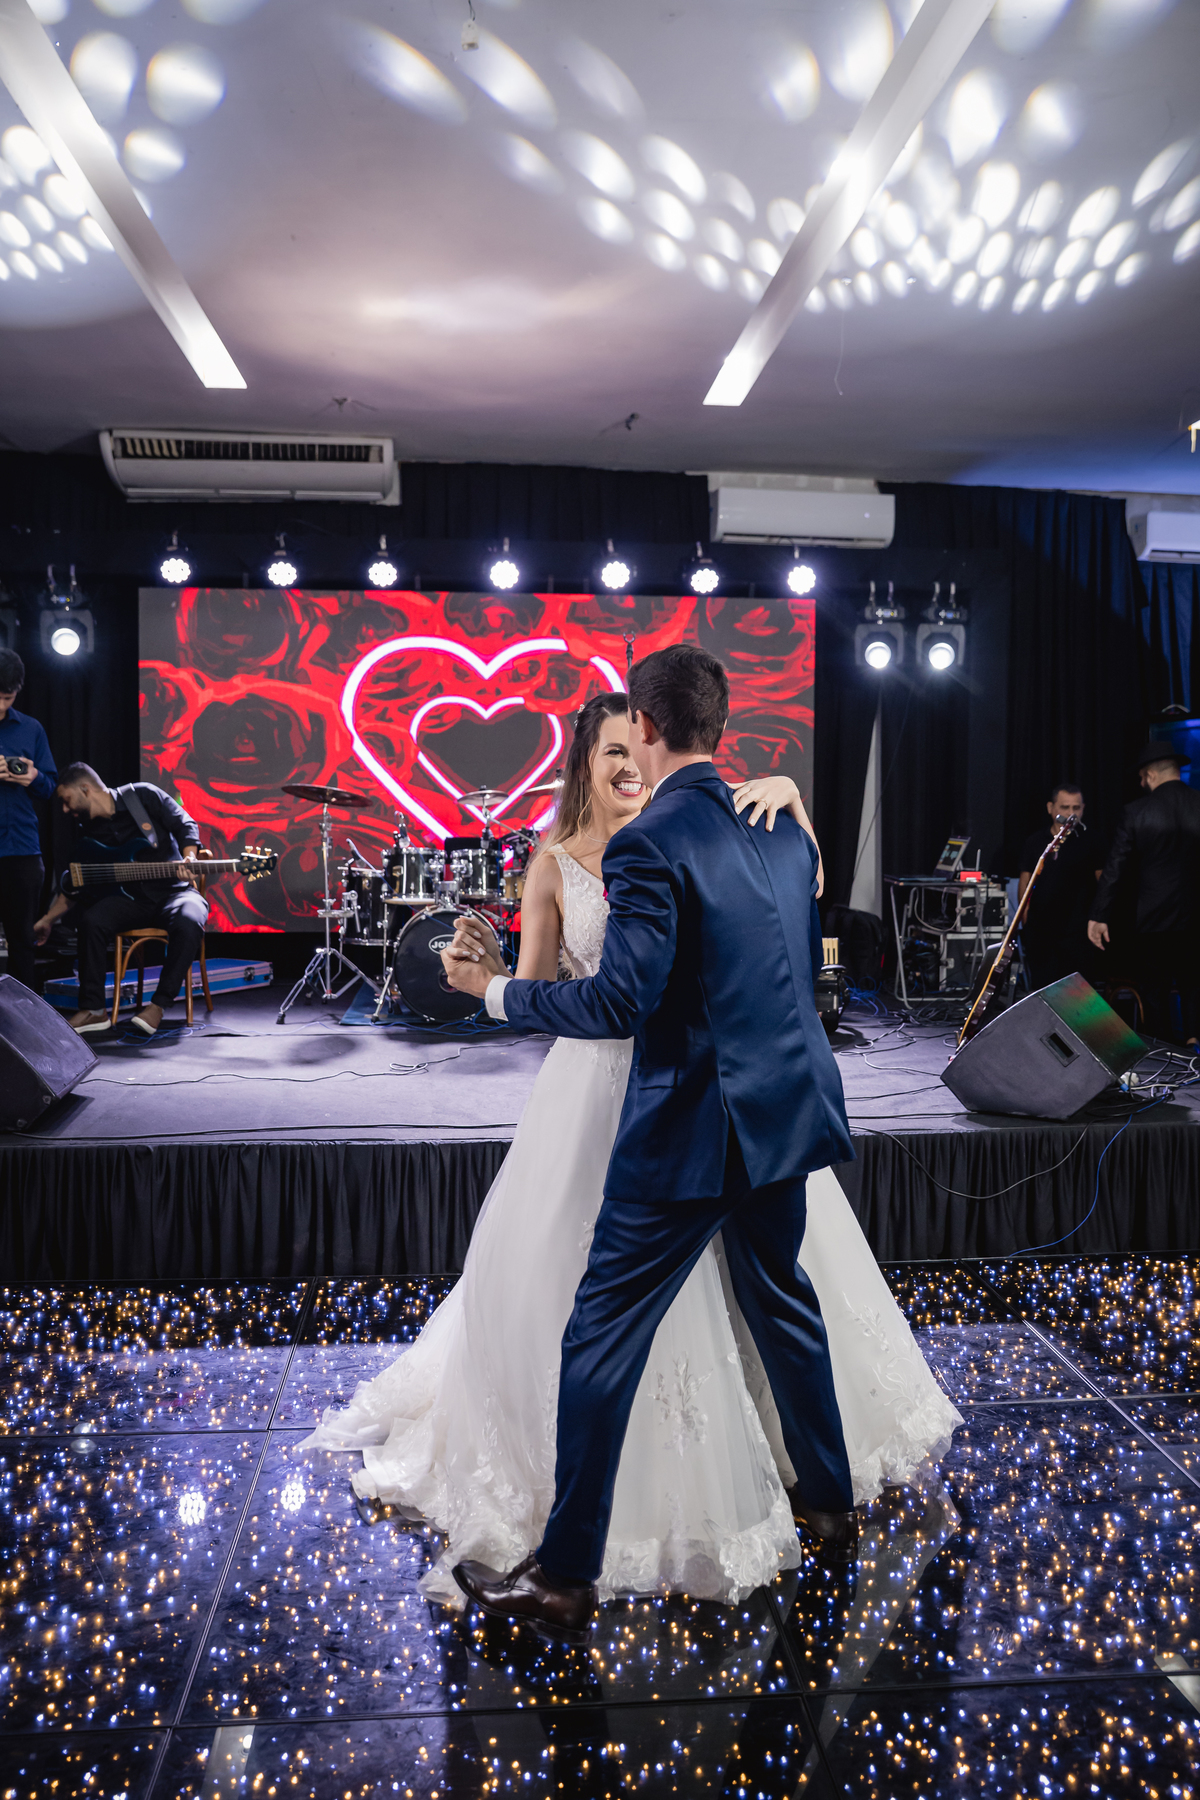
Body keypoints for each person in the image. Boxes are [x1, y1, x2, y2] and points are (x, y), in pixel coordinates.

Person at [420, 650, 959, 1641]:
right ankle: (827, 1502)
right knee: (784, 1304)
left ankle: (565, 1577)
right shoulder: (782, 826)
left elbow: (620, 1003)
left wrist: (492, 992)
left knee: (599, 1334)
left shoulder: (648, 843)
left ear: (650, 728)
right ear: (719, 722)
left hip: (688, 1129)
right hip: (784, 1113)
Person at [34, 763, 209, 1038]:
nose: (65, 810)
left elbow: (185, 823)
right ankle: (94, 1010)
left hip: (175, 893)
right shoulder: (88, 832)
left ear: (85, 789)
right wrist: (47, 920)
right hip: (132, 902)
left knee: (190, 919)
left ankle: (158, 1006)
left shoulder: (143, 796)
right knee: (92, 920)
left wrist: (189, 858)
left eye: (67, 800)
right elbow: (76, 886)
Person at [1088, 741, 1200, 1044]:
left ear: (1150, 775)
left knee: (1154, 990)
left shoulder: (1136, 811)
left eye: (1141, 778)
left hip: (1154, 916)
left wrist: (1099, 915)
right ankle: (1194, 1042)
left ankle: (1163, 1051)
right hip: (1195, 916)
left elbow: (1115, 867)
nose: (1141, 784)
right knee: (1194, 984)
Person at [0, 650, 56, 990]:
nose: (0, 706)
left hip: (21, 848)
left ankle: (23, 1016)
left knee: (22, 941)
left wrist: (32, 776)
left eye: (7, 698)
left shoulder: (31, 729)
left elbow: (50, 789)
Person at [1017, 781, 1102, 991]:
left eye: (1076, 808)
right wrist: (1026, 920)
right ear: (1050, 808)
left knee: (1079, 993)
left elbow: (1103, 883)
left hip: (1078, 933)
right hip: (1041, 933)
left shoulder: (1092, 841)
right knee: (1044, 991)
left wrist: (1099, 917)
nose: (1071, 813)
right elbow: (1025, 881)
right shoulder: (1036, 842)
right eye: (1065, 807)